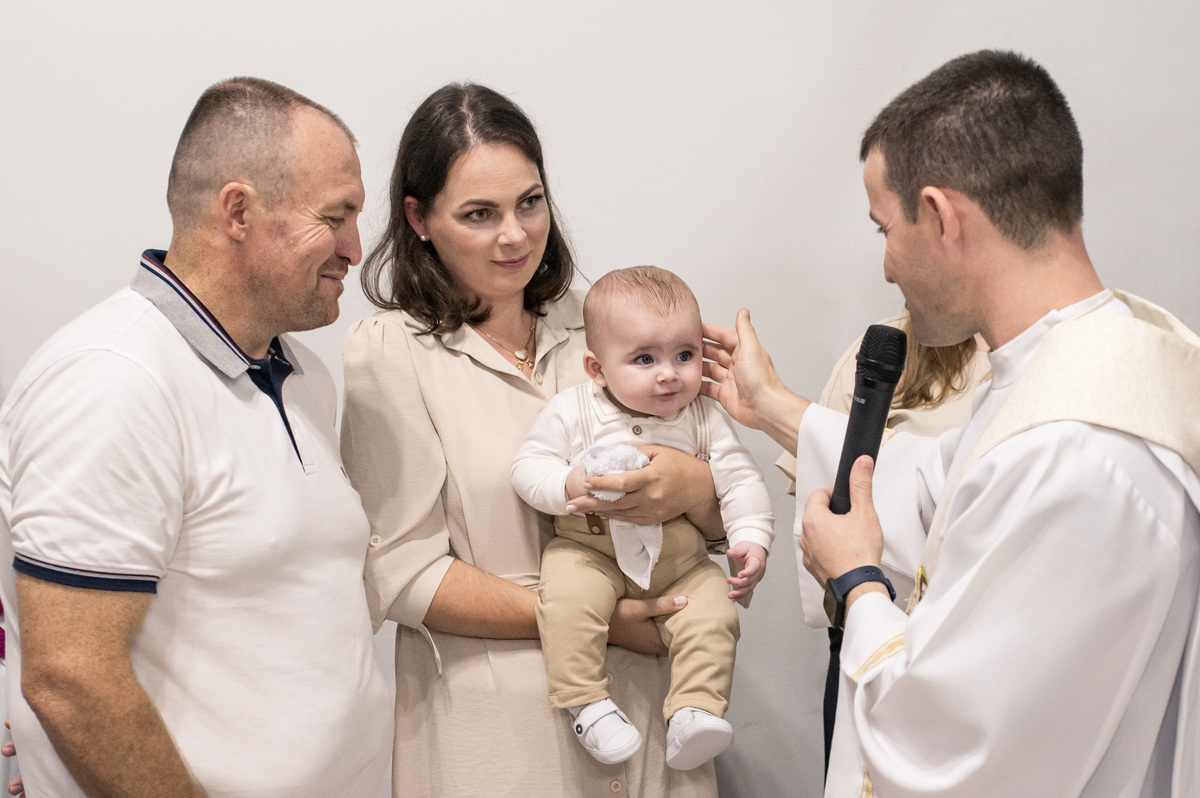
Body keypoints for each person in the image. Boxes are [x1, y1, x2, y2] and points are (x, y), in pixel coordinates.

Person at [702, 50, 1200, 796]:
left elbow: (955, 756)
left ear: (939, 217)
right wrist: (772, 405)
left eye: (884, 231)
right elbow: (940, 490)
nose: (888, 270)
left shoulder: (1078, 450)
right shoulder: (1083, 363)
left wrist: (860, 580)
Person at [0, 77, 392, 797]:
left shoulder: (301, 374)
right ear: (238, 211)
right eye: (336, 216)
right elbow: (71, 678)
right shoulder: (112, 380)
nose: (355, 248)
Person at [342, 84, 723, 797]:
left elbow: (723, 512)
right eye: (479, 215)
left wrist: (697, 488)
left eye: (530, 201)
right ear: (419, 219)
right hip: (493, 732)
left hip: (652, 708)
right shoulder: (391, 353)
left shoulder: (618, 327)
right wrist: (603, 622)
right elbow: (401, 572)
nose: (515, 235)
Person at [510, 266, 773, 770]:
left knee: (714, 609)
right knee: (566, 599)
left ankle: (694, 710)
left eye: (685, 354)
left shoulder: (703, 416)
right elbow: (528, 467)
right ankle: (584, 701)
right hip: (589, 546)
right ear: (597, 368)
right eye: (645, 359)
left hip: (679, 559)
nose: (669, 373)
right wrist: (566, 483)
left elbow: (740, 481)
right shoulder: (573, 411)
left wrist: (751, 539)